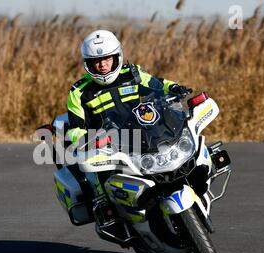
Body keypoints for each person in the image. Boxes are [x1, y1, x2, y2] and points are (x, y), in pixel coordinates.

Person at [65, 29, 191, 222]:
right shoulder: (80, 91)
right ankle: (105, 206)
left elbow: (159, 84)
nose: (102, 64)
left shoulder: (133, 74)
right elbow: (74, 128)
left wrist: (174, 88)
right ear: (87, 63)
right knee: (97, 172)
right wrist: (87, 138)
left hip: (142, 132)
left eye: (108, 58)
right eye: (96, 61)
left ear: (117, 57)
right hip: (108, 143)